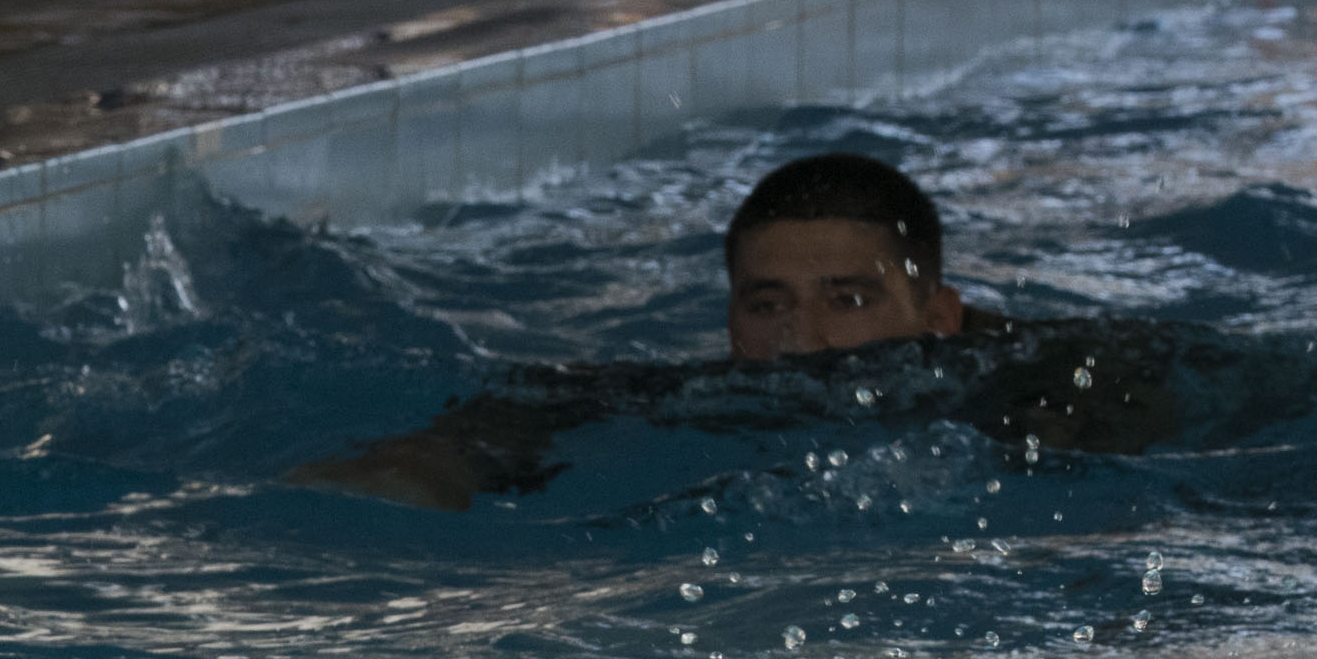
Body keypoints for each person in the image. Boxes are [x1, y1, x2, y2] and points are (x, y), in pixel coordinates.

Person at [290, 151, 1194, 512]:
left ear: (939, 317)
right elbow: (499, 430)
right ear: (729, 322)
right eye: (767, 305)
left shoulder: (1052, 392)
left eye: (846, 300)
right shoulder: (692, 403)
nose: (800, 339)